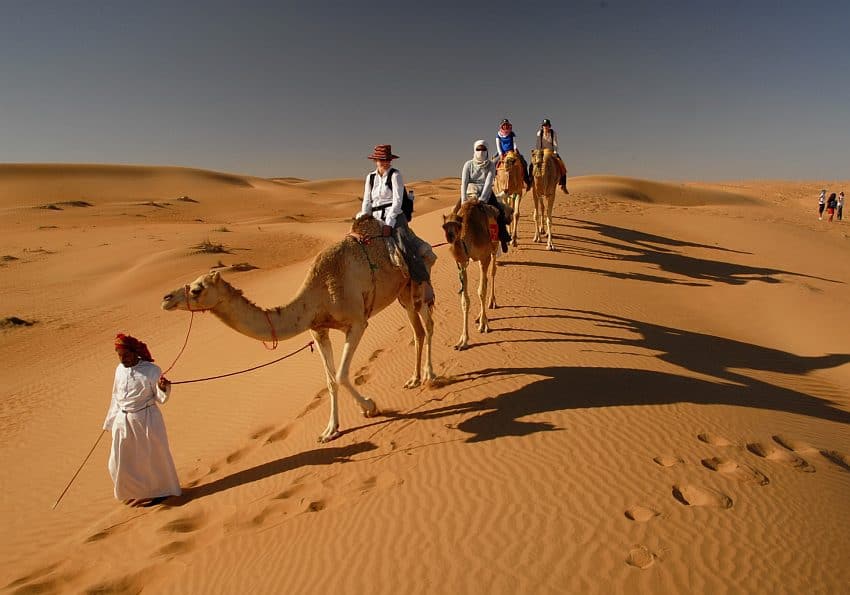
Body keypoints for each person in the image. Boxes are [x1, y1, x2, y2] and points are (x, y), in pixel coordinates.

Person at [103, 334, 181, 506]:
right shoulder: (119, 369)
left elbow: (160, 398)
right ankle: (132, 491)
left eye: (126, 355)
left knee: (152, 458)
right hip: (122, 421)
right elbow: (116, 396)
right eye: (120, 355)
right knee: (118, 460)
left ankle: (162, 491)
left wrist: (163, 387)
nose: (123, 359)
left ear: (135, 352)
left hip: (146, 420)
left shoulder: (152, 370)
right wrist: (110, 420)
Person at [357, 144, 434, 299]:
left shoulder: (395, 175)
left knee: (405, 247)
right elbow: (366, 201)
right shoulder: (370, 177)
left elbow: (397, 201)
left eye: (386, 159)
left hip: (394, 216)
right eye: (381, 159)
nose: (384, 162)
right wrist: (365, 219)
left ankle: (422, 282)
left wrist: (389, 223)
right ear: (375, 160)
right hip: (375, 217)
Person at [459, 139, 511, 252]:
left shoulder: (491, 165)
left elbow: (488, 182)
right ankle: (457, 240)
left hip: (486, 193)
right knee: (456, 215)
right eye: (478, 149)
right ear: (474, 150)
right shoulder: (468, 165)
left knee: (499, 212)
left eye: (483, 149)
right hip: (470, 193)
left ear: (487, 151)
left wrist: (482, 199)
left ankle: (503, 237)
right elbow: (464, 182)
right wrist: (463, 200)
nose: (481, 151)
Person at [495, 119, 532, 190]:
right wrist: (500, 154)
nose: (505, 126)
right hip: (502, 152)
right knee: (494, 162)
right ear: (502, 126)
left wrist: (515, 149)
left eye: (506, 125)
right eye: (504, 125)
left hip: (511, 152)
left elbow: (514, 142)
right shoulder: (498, 135)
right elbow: (498, 145)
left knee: (523, 162)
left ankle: (527, 181)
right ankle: (494, 181)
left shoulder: (511, 133)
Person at [535, 118, 569, 194]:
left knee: (561, 165)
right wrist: (539, 152)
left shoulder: (553, 133)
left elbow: (555, 144)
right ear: (542, 126)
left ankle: (563, 185)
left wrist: (555, 152)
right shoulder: (539, 133)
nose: (545, 127)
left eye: (547, 125)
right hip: (541, 152)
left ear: (549, 126)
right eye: (544, 126)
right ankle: (531, 182)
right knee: (532, 165)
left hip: (551, 151)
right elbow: (538, 145)